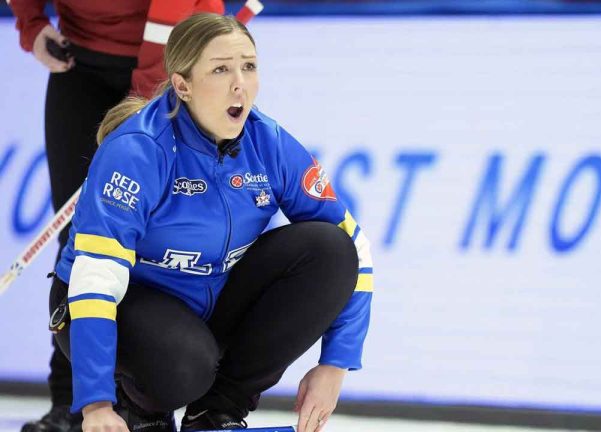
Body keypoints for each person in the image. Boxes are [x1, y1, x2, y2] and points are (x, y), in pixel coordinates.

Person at [47, 12, 374, 432]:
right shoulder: (137, 152)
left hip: (201, 306)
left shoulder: (269, 143)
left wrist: (336, 364)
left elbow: (356, 250)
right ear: (182, 85)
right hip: (114, 302)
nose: (240, 83)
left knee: (329, 248)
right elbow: (95, 280)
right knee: (187, 364)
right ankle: (140, 408)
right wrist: (96, 405)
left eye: (249, 66)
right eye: (221, 69)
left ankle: (216, 412)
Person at [7, 2, 262, 431]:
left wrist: (151, 94)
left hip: (170, 63)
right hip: (79, 61)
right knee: (82, 240)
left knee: (149, 236)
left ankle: (145, 399)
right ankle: (72, 402)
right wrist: (31, 24)